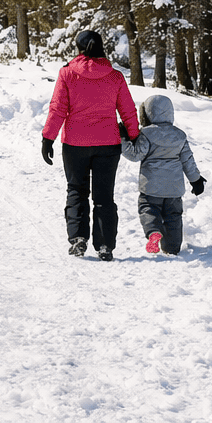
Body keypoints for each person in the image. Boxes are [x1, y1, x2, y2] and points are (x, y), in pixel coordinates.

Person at [41, 30, 139, 261]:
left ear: (78, 48)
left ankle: (78, 239)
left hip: (75, 144)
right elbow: (127, 109)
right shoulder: (115, 77)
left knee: (77, 190)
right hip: (108, 144)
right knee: (104, 197)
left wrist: (48, 138)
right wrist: (133, 134)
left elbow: (58, 108)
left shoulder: (67, 74)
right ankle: (105, 245)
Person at [122, 93, 205, 255]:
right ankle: (172, 248)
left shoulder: (146, 134)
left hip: (151, 187)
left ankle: (153, 232)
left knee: (148, 209)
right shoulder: (179, 135)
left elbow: (135, 155)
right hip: (174, 189)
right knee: (173, 217)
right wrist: (196, 180)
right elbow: (188, 160)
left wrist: (123, 140)